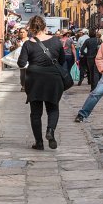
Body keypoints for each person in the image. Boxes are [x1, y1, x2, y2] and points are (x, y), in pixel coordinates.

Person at [17, 16, 65, 150]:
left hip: (34, 79)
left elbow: (21, 63)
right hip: (53, 79)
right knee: (53, 108)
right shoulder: (56, 41)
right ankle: (50, 131)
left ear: (31, 28)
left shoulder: (28, 43)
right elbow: (61, 60)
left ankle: (39, 142)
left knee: (36, 113)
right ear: (45, 27)